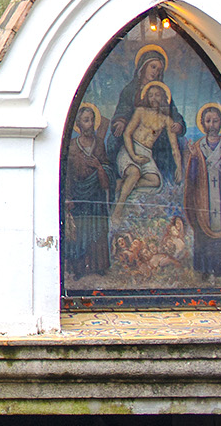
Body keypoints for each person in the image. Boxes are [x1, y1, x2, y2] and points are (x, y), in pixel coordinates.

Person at [109, 43, 185, 183]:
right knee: (112, 143)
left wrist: (178, 124)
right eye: (153, 67)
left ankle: (168, 181)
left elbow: (173, 111)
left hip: (155, 136)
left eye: (159, 69)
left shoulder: (161, 90)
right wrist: (120, 121)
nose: (155, 72)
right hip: (133, 135)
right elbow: (123, 109)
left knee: (174, 143)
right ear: (143, 66)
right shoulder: (130, 90)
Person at [184, 103, 221, 278]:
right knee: (203, 232)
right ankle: (205, 269)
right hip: (204, 197)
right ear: (203, 123)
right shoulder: (198, 146)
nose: (212, 125)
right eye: (208, 121)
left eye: (216, 121)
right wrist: (193, 157)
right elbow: (192, 178)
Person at [111, 80, 182, 223]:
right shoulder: (140, 111)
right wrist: (134, 156)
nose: (154, 98)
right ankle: (118, 210)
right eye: (150, 95)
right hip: (130, 149)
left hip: (146, 154)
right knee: (135, 173)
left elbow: (175, 147)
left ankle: (123, 184)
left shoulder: (166, 120)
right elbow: (127, 134)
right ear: (146, 98)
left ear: (163, 97)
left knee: (155, 181)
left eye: (157, 95)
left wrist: (179, 167)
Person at [62, 103, 113, 277]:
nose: (89, 124)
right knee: (80, 232)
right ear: (78, 124)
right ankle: (79, 269)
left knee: (98, 229)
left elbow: (107, 169)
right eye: (86, 120)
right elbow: (67, 173)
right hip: (78, 195)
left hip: (96, 195)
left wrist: (99, 167)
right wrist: (68, 197)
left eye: (92, 120)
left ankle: (99, 266)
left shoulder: (99, 144)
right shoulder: (73, 146)